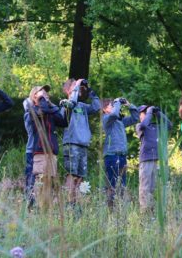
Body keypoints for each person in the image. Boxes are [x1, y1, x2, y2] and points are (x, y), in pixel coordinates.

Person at [61, 78, 100, 206]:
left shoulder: (82, 106)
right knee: (71, 174)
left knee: (81, 175)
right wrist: (77, 86)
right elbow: (71, 103)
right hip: (72, 143)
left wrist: (90, 92)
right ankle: (68, 202)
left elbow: (96, 107)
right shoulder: (65, 104)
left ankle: (76, 202)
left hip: (83, 144)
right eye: (74, 86)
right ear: (68, 90)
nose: (79, 88)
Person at [28, 85, 68, 209]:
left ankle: (44, 209)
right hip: (41, 151)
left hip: (52, 152)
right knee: (40, 180)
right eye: (42, 92)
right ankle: (33, 208)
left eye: (46, 93)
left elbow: (63, 122)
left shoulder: (48, 110)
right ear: (35, 96)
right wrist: (42, 100)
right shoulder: (33, 109)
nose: (46, 94)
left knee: (49, 182)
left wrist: (58, 106)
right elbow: (43, 110)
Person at [102, 97, 139, 207]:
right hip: (111, 156)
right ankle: (111, 210)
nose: (114, 107)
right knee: (112, 184)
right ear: (105, 109)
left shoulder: (120, 121)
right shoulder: (106, 119)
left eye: (114, 105)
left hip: (122, 156)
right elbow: (113, 115)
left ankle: (120, 209)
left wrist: (129, 105)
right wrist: (117, 101)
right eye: (111, 105)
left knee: (122, 185)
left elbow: (135, 118)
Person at [136, 105, 172, 213]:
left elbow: (169, 125)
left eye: (147, 111)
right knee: (145, 186)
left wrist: (158, 113)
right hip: (146, 159)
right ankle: (144, 210)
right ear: (140, 115)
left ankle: (151, 210)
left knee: (154, 187)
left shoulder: (156, 126)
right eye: (144, 112)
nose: (147, 113)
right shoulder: (140, 125)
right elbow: (143, 125)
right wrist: (149, 113)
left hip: (157, 159)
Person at [23, 97, 35, 207]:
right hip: (32, 150)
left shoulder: (45, 111)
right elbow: (27, 105)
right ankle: (29, 205)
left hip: (43, 152)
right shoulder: (28, 114)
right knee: (31, 180)